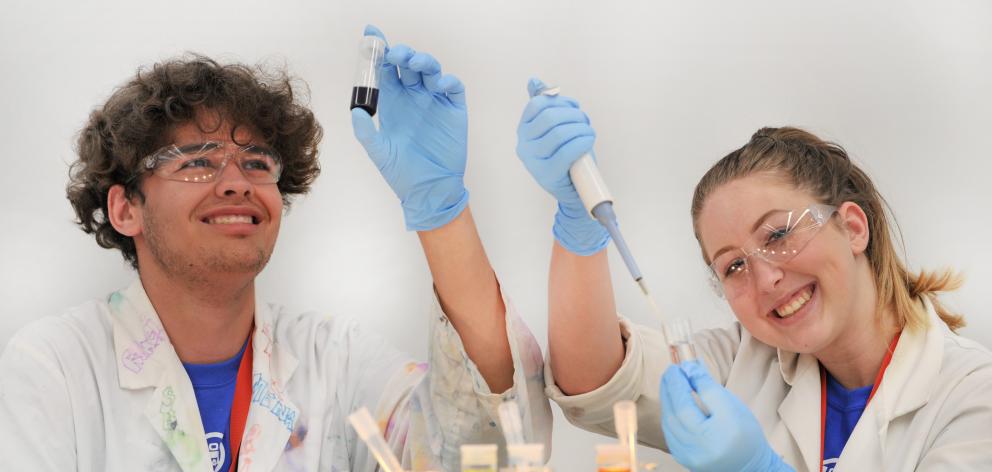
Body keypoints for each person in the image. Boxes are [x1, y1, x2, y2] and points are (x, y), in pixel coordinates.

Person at [0, 27, 552, 471]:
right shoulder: (55, 370)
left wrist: (442, 209)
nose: (237, 181)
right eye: (197, 161)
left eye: (257, 163)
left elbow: (488, 451)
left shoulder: (335, 361)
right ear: (126, 209)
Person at [515, 78, 992, 471]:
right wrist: (579, 224)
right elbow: (596, 380)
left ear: (852, 227)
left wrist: (759, 467)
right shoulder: (747, 360)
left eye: (779, 234)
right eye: (734, 265)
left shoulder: (973, 396)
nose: (765, 280)